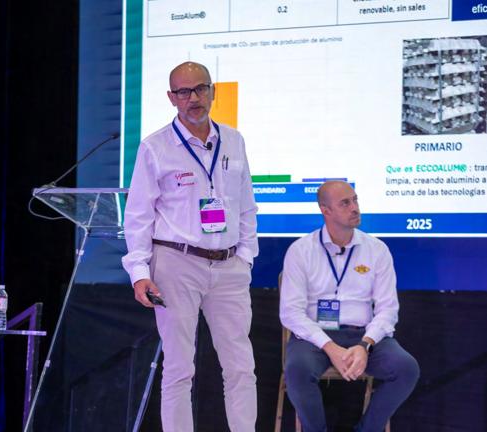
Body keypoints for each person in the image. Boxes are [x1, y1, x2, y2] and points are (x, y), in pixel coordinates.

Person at [121, 61, 258, 432]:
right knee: (179, 368)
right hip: (175, 264)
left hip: (229, 266)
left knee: (241, 367)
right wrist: (139, 272)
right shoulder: (154, 147)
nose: (193, 98)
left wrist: (245, 257)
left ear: (213, 91)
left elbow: (247, 205)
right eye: (184, 91)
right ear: (172, 98)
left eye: (200, 88)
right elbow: (138, 216)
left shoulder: (234, 140)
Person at [280, 180, 419, 432]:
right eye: (345, 203)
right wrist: (330, 347)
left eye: (355, 200)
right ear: (325, 210)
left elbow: (388, 309)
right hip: (315, 338)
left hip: (364, 335)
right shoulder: (300, 251)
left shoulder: (377, 250)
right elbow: (290, 312)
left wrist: (365, 345)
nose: (354, 207)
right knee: (297, 370)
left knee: (406, 368)